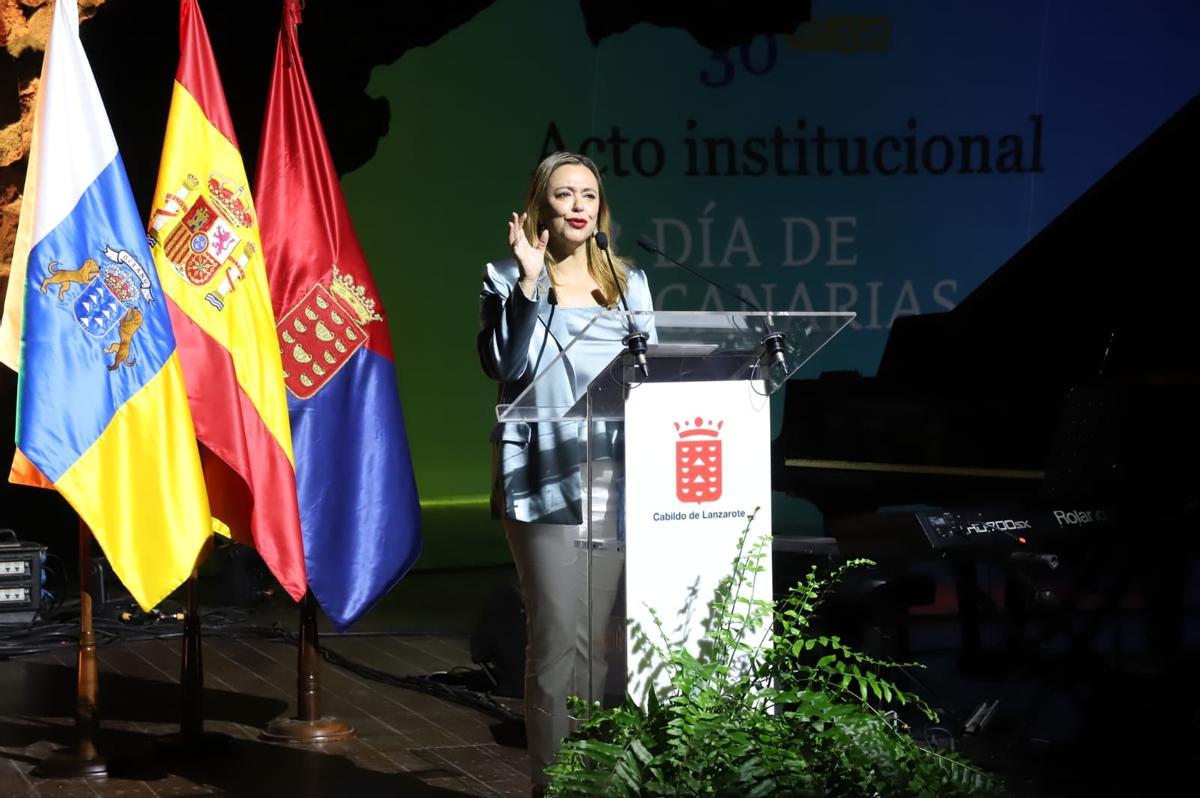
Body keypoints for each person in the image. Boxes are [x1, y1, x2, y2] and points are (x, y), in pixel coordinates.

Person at [477, 151, 654, 794]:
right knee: (556, 636)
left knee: (599, 645)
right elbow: (501, 363)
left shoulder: (627, 284)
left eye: (588, 194)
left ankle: (597, 782)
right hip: (540, 467)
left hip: (610, 472)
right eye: (563, 195)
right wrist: (528, 282)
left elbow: (650, 372)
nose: (577, 205)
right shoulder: (506, 276)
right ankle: (552, 787)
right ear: (538, 209)